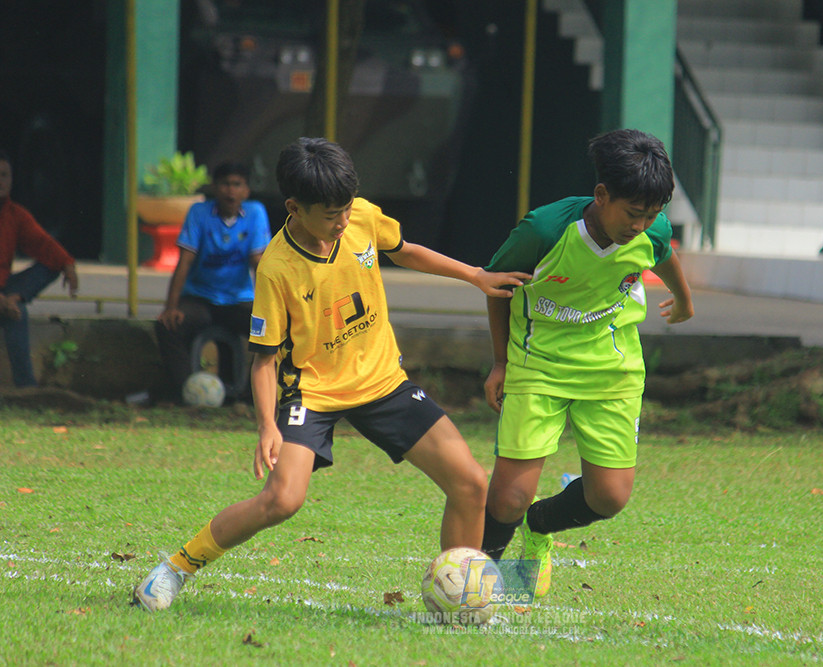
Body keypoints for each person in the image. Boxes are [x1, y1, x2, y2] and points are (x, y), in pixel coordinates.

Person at [132, 137, 531, 611]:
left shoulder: (358, 215)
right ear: (294, 208)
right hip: (314, 394)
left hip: (383, 381)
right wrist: (265, 426)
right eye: (330, 214)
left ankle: (458, 598)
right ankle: (176, 568)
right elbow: (264, 357)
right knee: (282, 500)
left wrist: (474, 275)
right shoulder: (277, 267)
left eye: (346, 209)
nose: (343, 221)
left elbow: (403, 250)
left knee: (469, 483)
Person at [478, 129, 694, 596]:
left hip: (612, 369)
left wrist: (684, 300)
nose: (640, 225)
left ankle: (539, 527)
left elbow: (663, 254)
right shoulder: (544, 230)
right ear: (601, 195)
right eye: (633, 213)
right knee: (509, 496)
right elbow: (497, 287)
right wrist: (500, 363)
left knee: (610, 497)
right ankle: (475, 583)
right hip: (539, 364)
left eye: (652, 215)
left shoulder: (651, 229)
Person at [153, 161, 271, 402]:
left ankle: (252, 395)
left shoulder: (256, 213)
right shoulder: (199, 213)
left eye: (237, 185)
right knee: (167, 326)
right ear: (215, 189)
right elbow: (184, 262)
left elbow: (258, 263)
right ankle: (187, 391)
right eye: (225, 184)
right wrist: (171, 307)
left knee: (272, 332)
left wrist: (268, 308)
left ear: (246, 191)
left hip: (239, 301)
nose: (231, 191)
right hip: (200, 299)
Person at [0, 149, 79, 387]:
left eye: (4, 175)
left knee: (52, 265)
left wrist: (68, 264)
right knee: (17, 313)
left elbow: (42, 244)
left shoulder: (15, 214)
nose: (0, 181)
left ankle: (26, 392)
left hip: (5, 289)